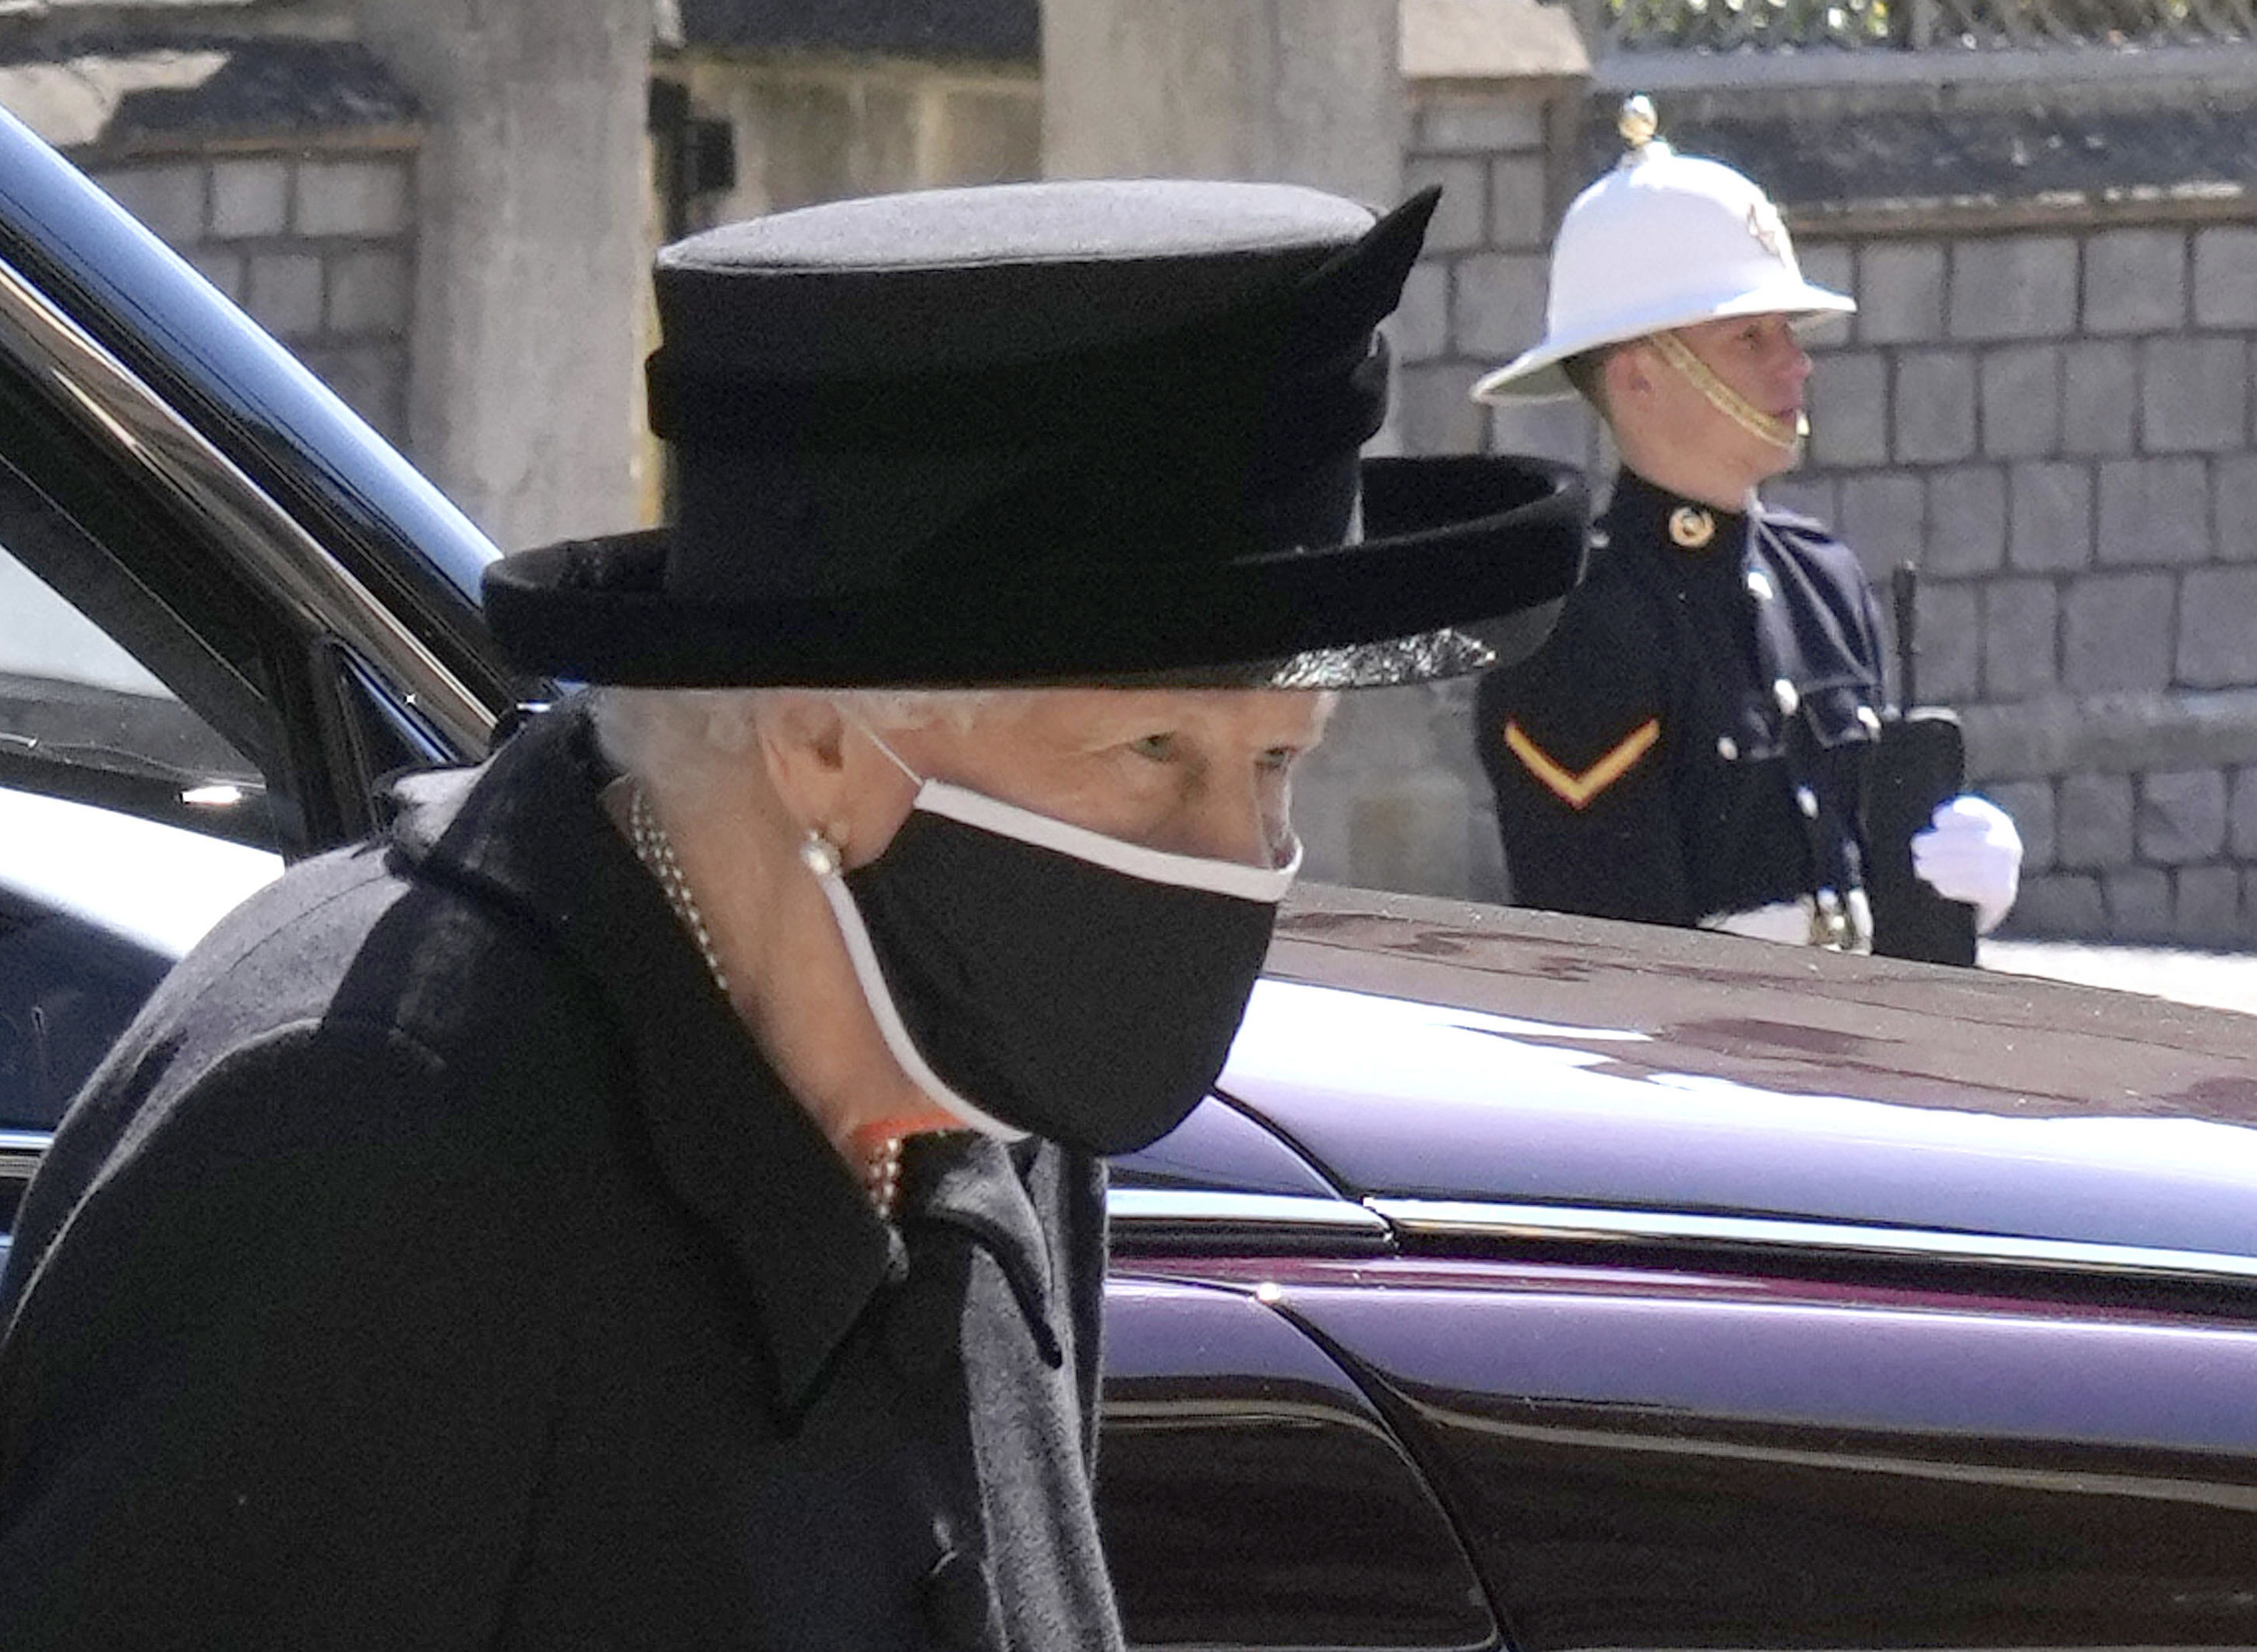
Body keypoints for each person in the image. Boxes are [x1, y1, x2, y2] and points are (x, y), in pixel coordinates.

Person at [0, 178, 1584, 1646]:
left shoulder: (978, 1098)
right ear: (824, 738)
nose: (1232, 852)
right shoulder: (375, 1142)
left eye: (1277, 766)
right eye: (1154, 750)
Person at [1467, 98, 2022, 953]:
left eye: (1786, 331)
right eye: (1748, 337)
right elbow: (1613, 952)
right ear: (1639, 376)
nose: (1793, 361)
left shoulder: (1821, 579)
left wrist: (1939, 889)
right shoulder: (1579, 628)